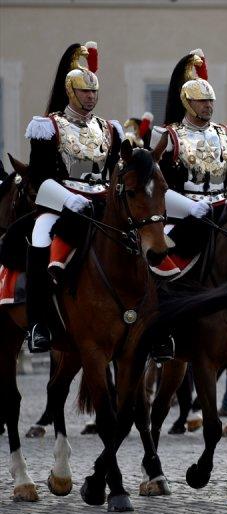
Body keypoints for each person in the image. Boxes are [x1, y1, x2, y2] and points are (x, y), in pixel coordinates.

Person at [23, 41, 122, 352]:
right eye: (84, 92)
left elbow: (113, 172)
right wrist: (69, 199)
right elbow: (39, 179)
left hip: (102, 203)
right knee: (39, 239)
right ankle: (37, 323)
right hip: (61, 203)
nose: (90, 96)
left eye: (93, 92)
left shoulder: (109, 130)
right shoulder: (48, 127)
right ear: (70, 92)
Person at [147, 49, 227, 361]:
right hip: (183, 213)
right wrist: (189, 208)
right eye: (202, 101)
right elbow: (156, 186)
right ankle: (161, 331)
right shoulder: (168, 136)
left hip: (222, 210)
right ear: (188, 102)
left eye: (211, 100)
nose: (209, 105)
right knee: (164, 266)